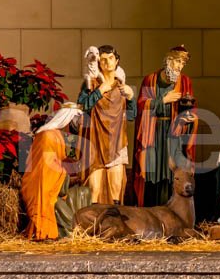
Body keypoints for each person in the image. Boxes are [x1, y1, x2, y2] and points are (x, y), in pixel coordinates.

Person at [134, 45, 197, 206]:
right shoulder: (150, 80)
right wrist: (162, 101)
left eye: (182, 64)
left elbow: (190, 106)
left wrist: (189, 119)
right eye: (177, 62)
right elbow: (141, 106)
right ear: (168, 60)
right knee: (152, 171)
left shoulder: (184, 82)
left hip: (174, 134)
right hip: (153, 133)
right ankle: (152, 212)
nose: (179, 67)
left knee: (172, 172)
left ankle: (172, 212)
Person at [77, 45, 136, 205]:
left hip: (116, 141)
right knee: (94, 189)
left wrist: (131, 98)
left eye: (111, 58)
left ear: (117, 61)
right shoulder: (91, 83)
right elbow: (82, 107)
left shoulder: (122, 86)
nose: (107, 62)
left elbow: (131, 116)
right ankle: (94, 226)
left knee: (115, 188)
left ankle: (114, 223)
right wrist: (99, 91)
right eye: (103, 60)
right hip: (96, 141)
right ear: (98, 63)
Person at [21, 106, 82, 240]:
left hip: (53, 184)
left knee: (81, 195)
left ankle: (73, 231)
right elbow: (46, 166)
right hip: (41, 186)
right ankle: (61, 234)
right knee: (60, 207)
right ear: (66, 121)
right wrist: (66, 174)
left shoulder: (56, 135)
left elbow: (59, 161)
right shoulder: (47, 136)